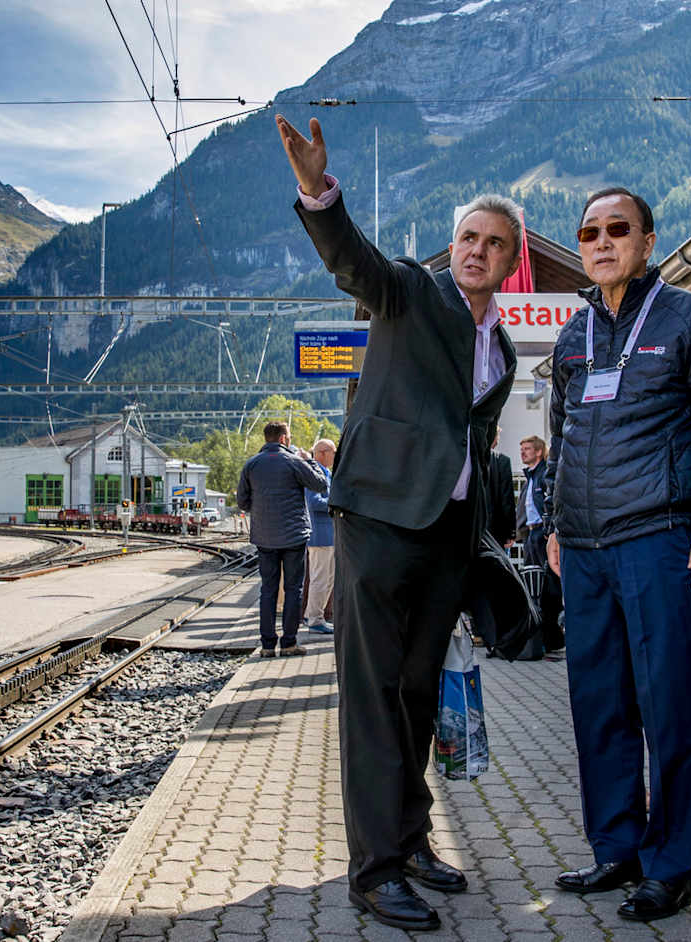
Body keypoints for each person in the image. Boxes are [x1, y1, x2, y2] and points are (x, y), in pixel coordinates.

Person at [277, 113, 528, 932]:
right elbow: (355, 262)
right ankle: (374, 870)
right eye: (467, 237)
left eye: (492, 243)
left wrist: (484, 539)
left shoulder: (502, 350)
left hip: (447, 537)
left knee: (418, 693)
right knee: (374, 697)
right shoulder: (412, 291)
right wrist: (318, 191)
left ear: (511, 260)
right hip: (380, 521)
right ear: (453, 245)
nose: (476, 250)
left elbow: (473, 444)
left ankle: (411, 839)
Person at [544, 186, 691, 922]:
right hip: (585, 549)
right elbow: (564, 432)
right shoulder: (574, 334)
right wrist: (555, 523)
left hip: (660, 539)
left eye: (616, 229)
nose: (601, 242)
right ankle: (617, 849)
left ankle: (670, 867)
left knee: (667, 707)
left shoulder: (690, 318)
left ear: (646, 239)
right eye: (589, 232)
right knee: (598, 705)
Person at [234, 421, 328, 657]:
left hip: (264, 537)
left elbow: (242, 502)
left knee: (268, 590)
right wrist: (310, 460)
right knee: (293, 589)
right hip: (294, 537)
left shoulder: (251, 464)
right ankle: (288, 643)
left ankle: (267, 645)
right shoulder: (294, 461)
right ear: (284, 438)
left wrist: (261, 510)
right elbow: (321, 484)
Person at [517, 434, 563, 654]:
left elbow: (550, 501)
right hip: (531, 535)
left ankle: (552, 637)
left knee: (548, 587)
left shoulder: (544, 474)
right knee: (533, 586)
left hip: (542, 535)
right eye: (521, 449)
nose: (523, 452)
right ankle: (541, 635)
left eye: (527, 448)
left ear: (538, 451)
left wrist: (549, 529)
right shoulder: (530, 477)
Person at [303, 438, 336, 634]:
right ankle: (315, 620)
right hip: (320, 535)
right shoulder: (314, 474)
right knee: (320, 579)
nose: (335, 455)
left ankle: (315, 615)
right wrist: (336, 502)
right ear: (322, 453)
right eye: (333, 452)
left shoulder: (325, 473)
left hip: (328, 535)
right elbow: (313, 503)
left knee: (328, 579)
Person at [486, 427, 516, 549]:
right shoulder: (501, 461)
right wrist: (510, 532)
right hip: (494, 532)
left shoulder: (466, 458)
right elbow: (507, 500)